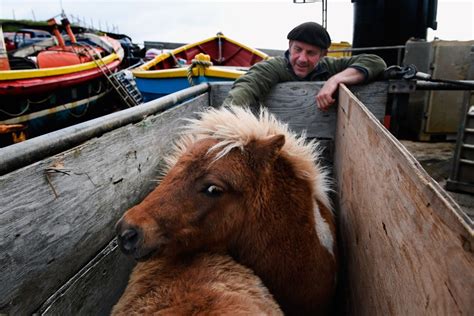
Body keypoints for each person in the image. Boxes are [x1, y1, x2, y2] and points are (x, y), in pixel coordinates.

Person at [223, 22, 387, 110]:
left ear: (324, 54)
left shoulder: (330, 67)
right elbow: (248, 85)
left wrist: (334, 81)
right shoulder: (274, 67)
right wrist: (227, 118)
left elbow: (375, 62)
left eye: (311, 53)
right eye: (298, 49)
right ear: (289, 46)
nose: (302, 59)